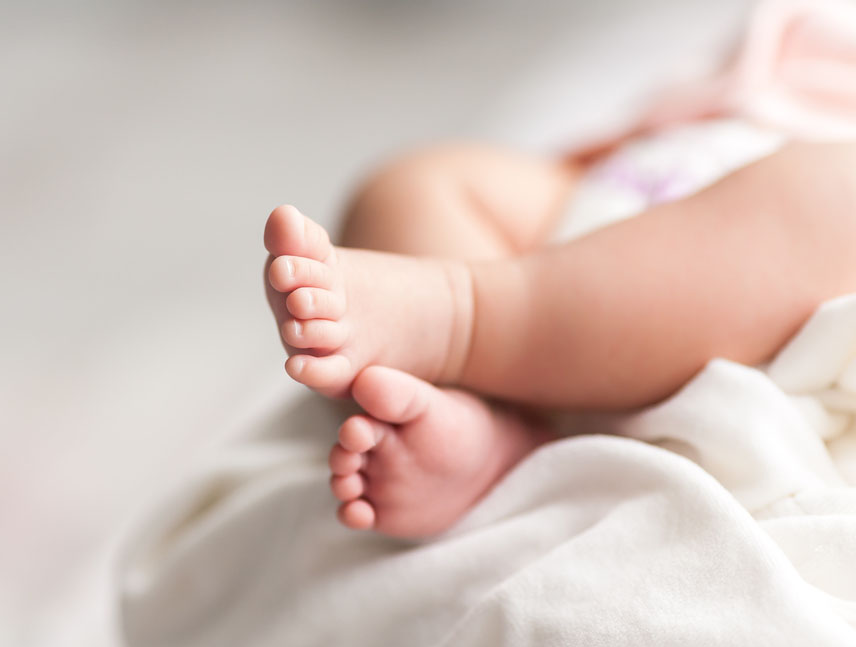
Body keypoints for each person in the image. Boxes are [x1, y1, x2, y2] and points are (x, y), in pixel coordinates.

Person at [261, 0, 856, 539]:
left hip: (778, 270)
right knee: (417, 187)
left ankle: (459, 317)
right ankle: (493, 434)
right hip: (650, 190)